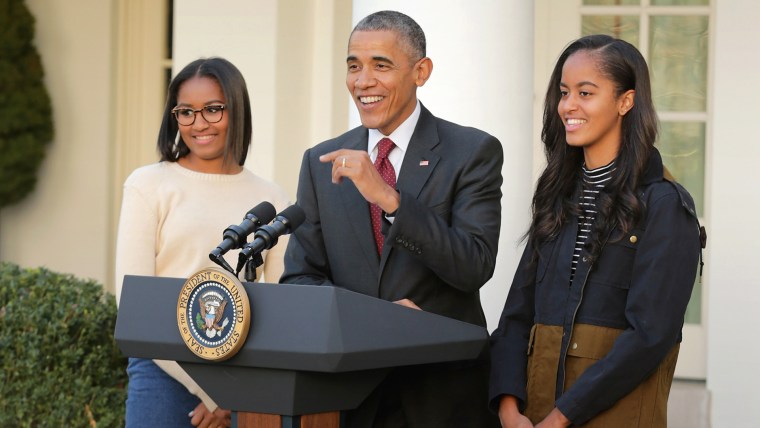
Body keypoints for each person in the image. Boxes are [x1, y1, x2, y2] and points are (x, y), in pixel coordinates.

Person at [280, 10, 503, 428]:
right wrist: (374, 321)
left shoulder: (472, 152)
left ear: (421, 71)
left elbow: (474, 265)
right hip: (349, 399)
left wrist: (391, 200)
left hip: (441, 397)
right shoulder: (320, 161)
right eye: (353, 66)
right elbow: (299, 280)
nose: (363, 81)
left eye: (380, 65)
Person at [489, 35, 704, 427]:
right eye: (564, 92)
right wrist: (508, 409)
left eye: (586, 93)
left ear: (626, 101)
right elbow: (516, 318)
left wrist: (561, 418)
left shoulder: (666, 205)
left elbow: (650, 335)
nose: (568, 105)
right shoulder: (557, 198)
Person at [115, 57, 290, 428]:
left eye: (213, 109)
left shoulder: (271, 198)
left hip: (244, 381)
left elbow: (278, 306)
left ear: (237, 110)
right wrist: (212, 394)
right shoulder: (148, 185)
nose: (199, 124)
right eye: (186, 112)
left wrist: (236, 396)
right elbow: (133, 303)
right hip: (163, 373)